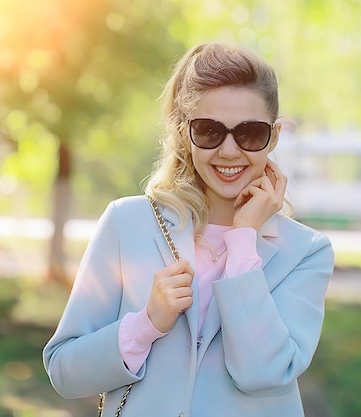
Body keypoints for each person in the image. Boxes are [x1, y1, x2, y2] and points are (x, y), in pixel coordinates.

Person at [43, 42, 334, 417]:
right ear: (185, 132)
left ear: (274, 136)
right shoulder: (126, 223)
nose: (229, 151)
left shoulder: (306, 252)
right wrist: (145, 325)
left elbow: (264, 372)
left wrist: (244, 240)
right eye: (210, 131)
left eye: (249, 133)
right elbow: (65, 371)